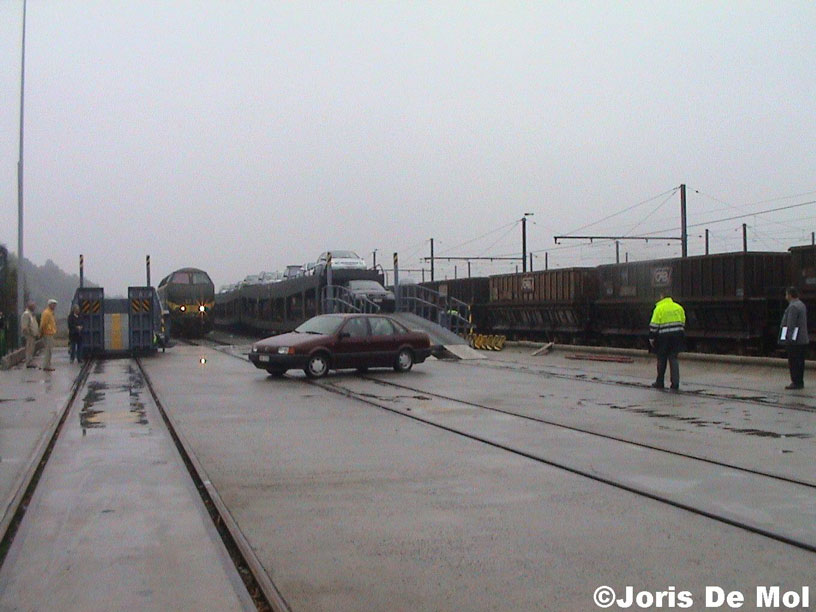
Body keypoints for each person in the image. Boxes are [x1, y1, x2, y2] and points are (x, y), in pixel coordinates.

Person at [648, 291, 686, 390]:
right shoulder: (678, 307)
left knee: (661, 359)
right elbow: (683, 321)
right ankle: (675, 383)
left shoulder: (659, 308)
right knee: (673, 359)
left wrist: (652, 338)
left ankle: (660, 382)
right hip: (677, 336)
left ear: (662, 296)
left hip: (663, 338)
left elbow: (654, 326)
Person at [779, 286, 809, 390]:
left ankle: (795, 382)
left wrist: (788, 339)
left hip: (795, 341)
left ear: (790, 295)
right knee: (800, 362)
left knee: (794, 362)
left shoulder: (792, 307)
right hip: (803, 339)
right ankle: (800, 381)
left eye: (786, 294)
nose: (785, 297)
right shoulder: (801, 305)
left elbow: (790, 325)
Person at [40, 299, 58, 371]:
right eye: (53, 304)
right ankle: (46, 366)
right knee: (48, 350)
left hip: (50, 333)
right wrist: (41, 332)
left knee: (50, 350)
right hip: (47, 333)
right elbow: (43, 324)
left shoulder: (50, 313)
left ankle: (48, 364)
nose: (54, 306)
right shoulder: (47, 313)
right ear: (50, 304)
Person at [20, 301, 39, 368]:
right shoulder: (26, 314)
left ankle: (30, 361)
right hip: (29, 335)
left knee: (32, 348)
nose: (34, 307)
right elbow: (25, 326)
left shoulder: (31, 314)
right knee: (29, 348)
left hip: (33, 335)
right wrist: (28, 333)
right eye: (33, 306)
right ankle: (28, 362)